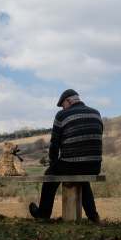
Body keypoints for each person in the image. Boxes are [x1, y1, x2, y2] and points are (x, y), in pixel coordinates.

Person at [29, 89, 103, 222]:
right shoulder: (96, 113)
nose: (63, 108)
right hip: (94, 165)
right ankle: (93, 216)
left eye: (63, 105)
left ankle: (43, 215)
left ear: (69, 100)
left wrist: (53, 164)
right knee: (82, 178)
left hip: (71, 164)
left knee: (50, 175)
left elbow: (54, 144)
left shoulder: (62, 115)